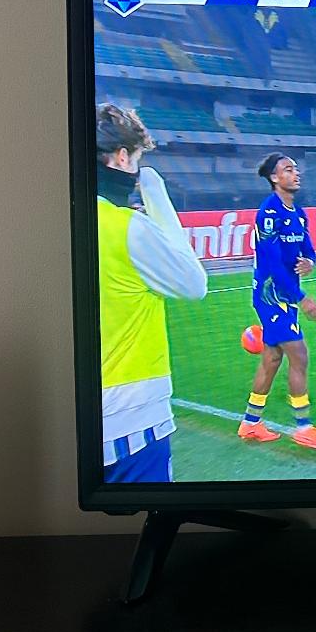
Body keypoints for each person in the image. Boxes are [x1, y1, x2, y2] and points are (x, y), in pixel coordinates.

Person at [95, 104, 208, 483]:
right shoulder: (126, 227)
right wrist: (156, 193)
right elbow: (194, 283)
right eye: (137, 159)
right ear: (121, 157)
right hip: (131, 417)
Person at [237, 153, 316, 450]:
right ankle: (303, 427)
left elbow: (308, 250)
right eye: (288, 170)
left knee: (272, 359)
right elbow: (272, 264)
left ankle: (250, 423)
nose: (296, 173)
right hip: (270, 296)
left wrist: (310, 263)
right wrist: (303, 298)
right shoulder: (268, 213)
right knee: (299, 356)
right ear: (275, 178)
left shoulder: (298, 213)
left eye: (295, 169)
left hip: (286, 296)